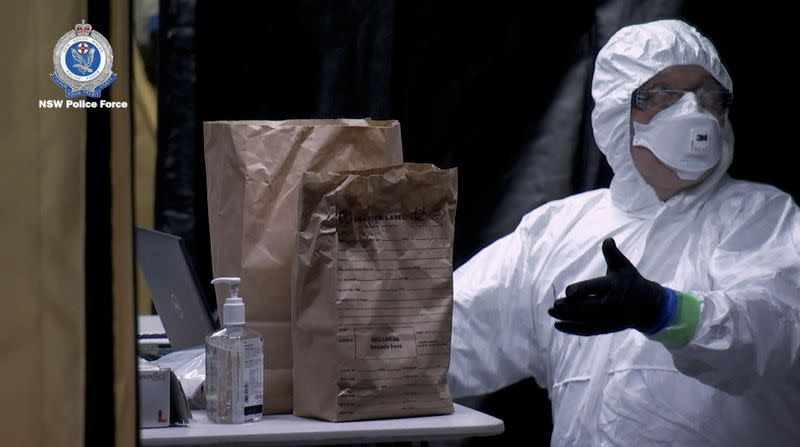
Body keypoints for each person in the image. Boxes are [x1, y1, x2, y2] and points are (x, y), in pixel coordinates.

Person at [447, 19, 800, 446]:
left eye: (708, 94)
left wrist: (664, 311)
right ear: (618, 111)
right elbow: (446, 333)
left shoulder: (761, 217)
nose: (692, 112)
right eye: (663, 94)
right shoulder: (558, 233)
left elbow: (769, 333)